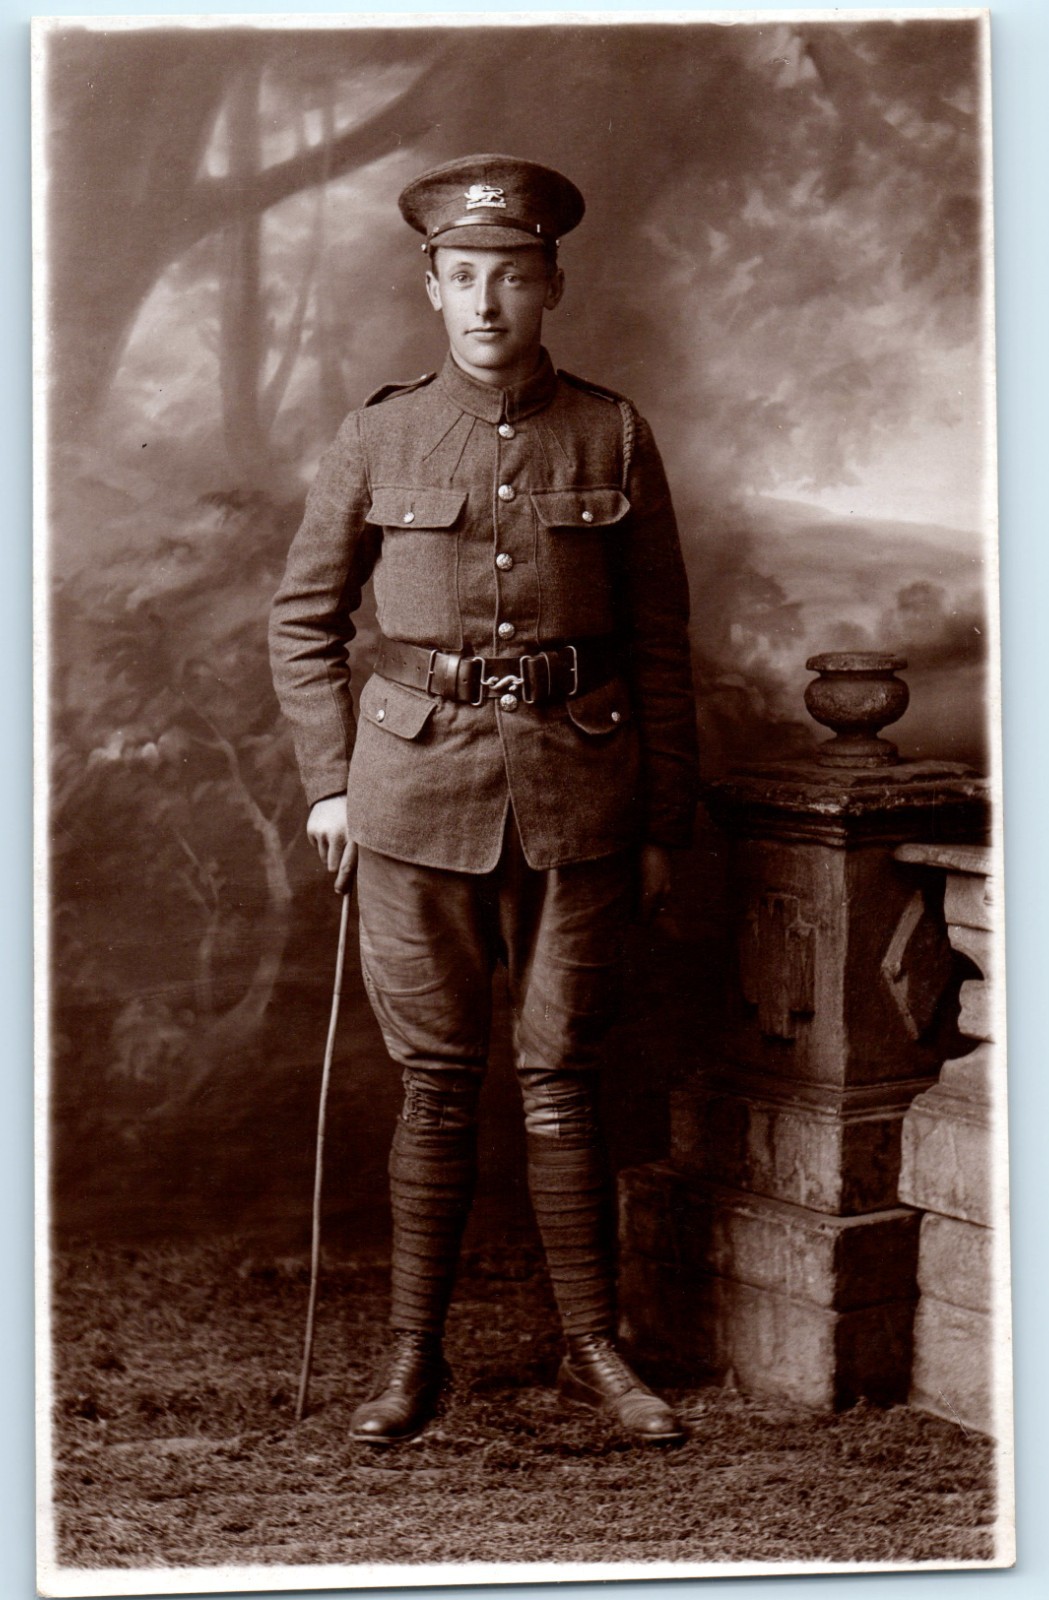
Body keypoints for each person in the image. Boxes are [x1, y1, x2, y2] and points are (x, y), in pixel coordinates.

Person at [269, 154, 699, 1448]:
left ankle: (589, 1351)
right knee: (439, 1082)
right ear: (431, 287)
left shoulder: (612, 433)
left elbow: (666, 642)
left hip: (582, 794)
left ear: (551, 284)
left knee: (562, 1072)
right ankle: (413, 1362)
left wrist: (668, 823)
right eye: (465, 277)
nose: (488, 303)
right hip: (408, 801)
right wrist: (330, 787)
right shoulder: (377, 434)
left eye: (514, 277)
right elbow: (300, 621)